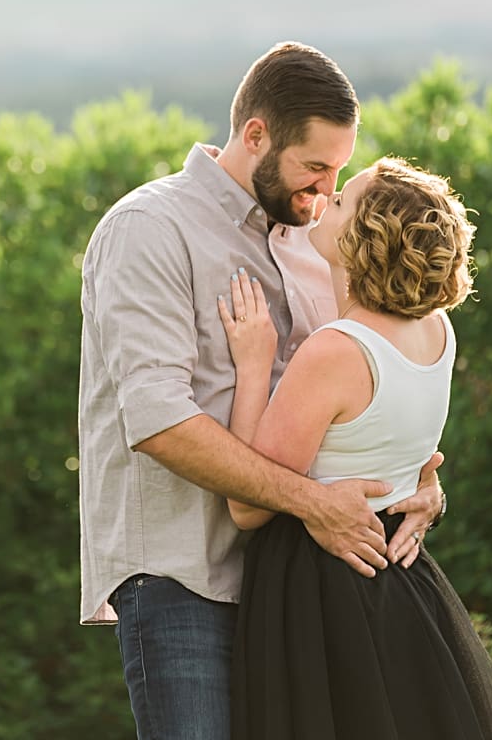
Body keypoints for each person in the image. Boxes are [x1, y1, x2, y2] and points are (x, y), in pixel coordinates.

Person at [78, 42, 446, 740]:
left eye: (338, 173)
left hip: (304, 591)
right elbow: (158, 422)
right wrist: (313, 503)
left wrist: (419, 483)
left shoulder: (324, 239)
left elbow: (366, 385)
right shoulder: (151, 230)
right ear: (255, 136)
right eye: (314, 168)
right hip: (186, 585)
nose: (323, 191)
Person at [219, 157, 492, 739]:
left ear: (363, 239)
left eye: (342, 202)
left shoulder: (333, 352)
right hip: (401, 582)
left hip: (319, 592)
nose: (327, 196)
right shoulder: (438, 331)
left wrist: (254, 364)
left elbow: (247, 505)